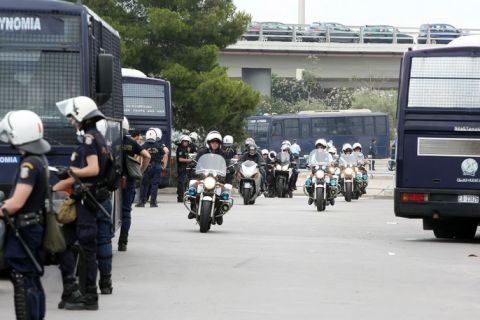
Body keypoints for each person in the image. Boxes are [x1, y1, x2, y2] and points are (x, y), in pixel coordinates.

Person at [53, 96, 111, 310]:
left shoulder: (89, 138)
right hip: (82, 197)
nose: (71, 121)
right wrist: (53, 187)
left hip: (85, 201)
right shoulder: (97, 138)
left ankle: (89, 296)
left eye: (72, 117)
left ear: (81, 115)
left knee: (87, 248)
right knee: (62, 244)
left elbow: (92, 170)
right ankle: (71, 289)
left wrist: (70, 170)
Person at [0, 110, 50, 320]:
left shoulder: (29, 164)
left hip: (25, 231)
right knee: (32, 279)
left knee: (23, 278)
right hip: (33, 227)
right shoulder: (40, 159)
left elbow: (16, 202)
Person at [118, 117, 151, 252]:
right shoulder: (131, 143)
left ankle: (105, 240)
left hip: (112, 180)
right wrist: (140, 171)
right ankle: (123, 242)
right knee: (126, 212)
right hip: (129, 181)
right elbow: (147, 156)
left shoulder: (110, 140)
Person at [191, 131, 227, 223]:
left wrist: (230, 169)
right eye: (213, 142)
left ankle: (219, 211)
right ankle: (193, 208)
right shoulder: (202, 152)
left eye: (217, 142)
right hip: (203, 176)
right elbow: (196, 163)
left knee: (224, 193)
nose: (215, 144)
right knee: (192, 189)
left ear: (219, 144)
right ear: (209, 143)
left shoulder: (223, 153)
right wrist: (193, 166)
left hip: (218, 178)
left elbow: (227, 164)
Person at [137, 128, 169, 208]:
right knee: (155, 185)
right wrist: (163, 165)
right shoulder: (159, 145)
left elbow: (139, 155)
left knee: (144, 184)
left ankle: (142, 202)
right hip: (157, 166)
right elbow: (165, 154)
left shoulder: (144, 146)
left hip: (147, 166)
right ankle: (153, 203)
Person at [176, 135, 193, 203]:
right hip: (181, 168)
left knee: (185, 183)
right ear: (181, 142)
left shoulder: (185, 149)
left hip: (185, 168)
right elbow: (180, 159)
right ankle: (180, 198)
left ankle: (184, 196)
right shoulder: (180, 148)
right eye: (184, 141)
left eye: (187, 142)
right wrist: (188, 160)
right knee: (181, 183)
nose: (186, 143)